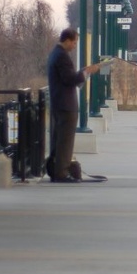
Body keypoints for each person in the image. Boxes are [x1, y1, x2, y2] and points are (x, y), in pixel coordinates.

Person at [46, 27, 101, 182]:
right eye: (74, 42)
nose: (75, 45)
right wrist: (86, 72)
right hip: (66, 105)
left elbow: (66, 77)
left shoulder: (55, 54)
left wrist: (84, 71)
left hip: (58, 103)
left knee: (58, 139)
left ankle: (56, 168)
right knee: (65, 141)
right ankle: (61, 173)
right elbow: (69, 79)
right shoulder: (62, 56)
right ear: (68, 40)